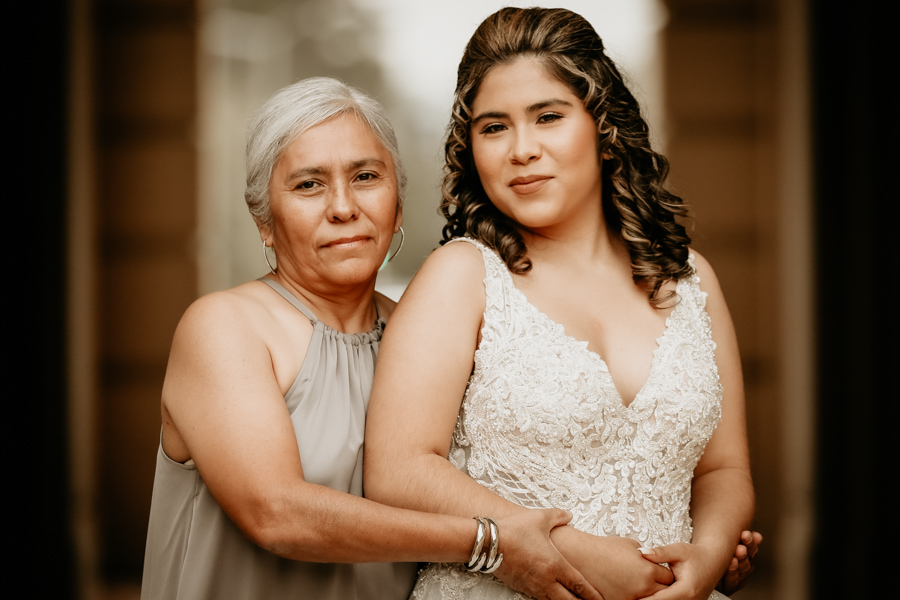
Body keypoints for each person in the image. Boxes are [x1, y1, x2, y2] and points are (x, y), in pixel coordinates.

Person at [139, 76, 607, 600]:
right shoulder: (224, 328)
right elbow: (277, 514)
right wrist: (490, 542)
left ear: (399, 205)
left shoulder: (425, 337)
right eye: (309, 184)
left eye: (365, 176)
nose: (343, 207)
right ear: (264, 221)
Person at [364, 7, 759, 600]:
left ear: (603, 127)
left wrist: (706, 559)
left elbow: (723, 470)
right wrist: (570, 553)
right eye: (493, 127)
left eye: (547, 117)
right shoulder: (462, 277)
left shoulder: (691, 280)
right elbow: (397, 471)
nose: (522, 149)